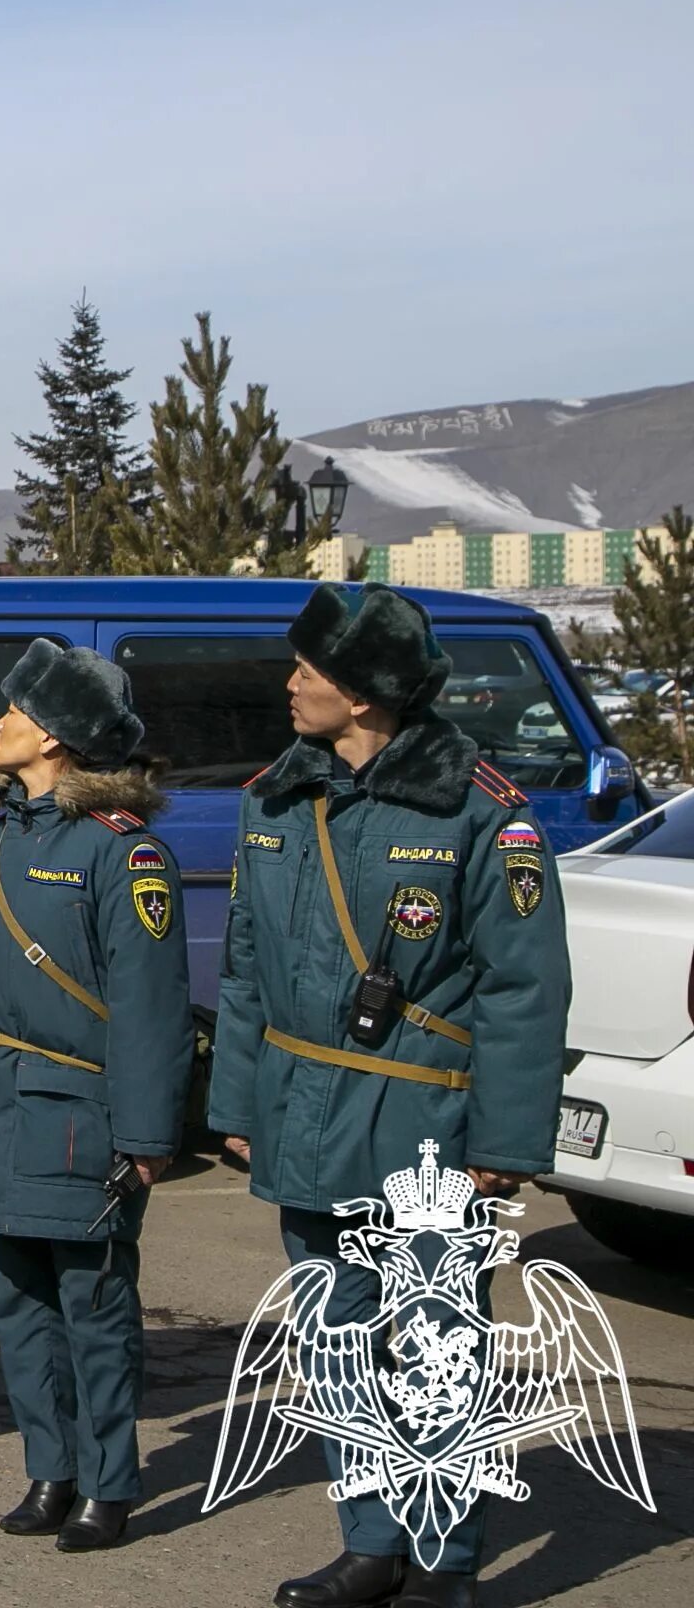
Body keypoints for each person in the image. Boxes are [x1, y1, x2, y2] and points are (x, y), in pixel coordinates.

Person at [208, 584, 571, 1608]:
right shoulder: (274, 798)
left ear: (364, 696)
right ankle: (370, 1544)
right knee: (332, 1339)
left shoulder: (482, 815)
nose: (289, 684)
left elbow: (523, 990)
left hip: (425, 1129)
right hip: (303, 1113)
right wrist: (235, 1104)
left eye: (308, 672)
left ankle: (446, 1562)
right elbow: (245, 968)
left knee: (439, 1349)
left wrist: (506, 1138)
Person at [0, 640, 192, 1552]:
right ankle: (50, 1468)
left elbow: (151, 1010)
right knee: (21, 1304)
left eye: (16, 711)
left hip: (81, 1116)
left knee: (96, 1306)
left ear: (57, 738)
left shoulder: (123, 854)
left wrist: (149, 1134)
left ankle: (108, 1482)